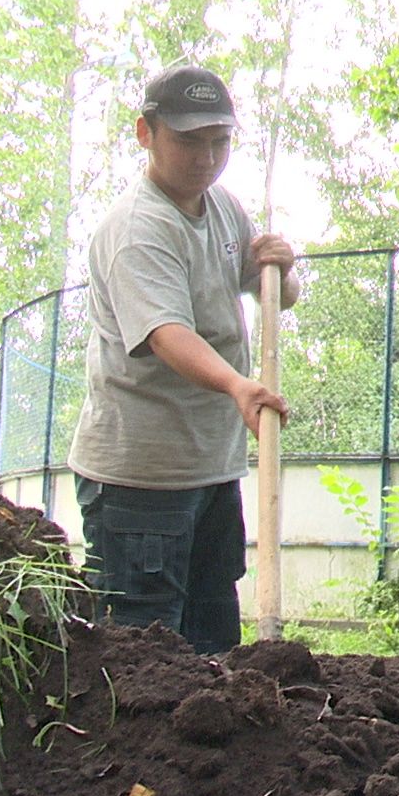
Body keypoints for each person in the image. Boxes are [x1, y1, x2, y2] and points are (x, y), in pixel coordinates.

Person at [68, 65, 300, 655]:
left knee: (213, 635)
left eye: (219, 141)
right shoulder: (137, 229)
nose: (206, 157)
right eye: (189, 140)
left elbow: (267, 289)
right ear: (146, 133)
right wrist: (236, 386)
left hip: (210, 470)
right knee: (144, 654)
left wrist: (282, 269)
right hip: (140, 482)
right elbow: (167, 334)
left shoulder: (221, 206)